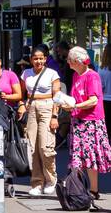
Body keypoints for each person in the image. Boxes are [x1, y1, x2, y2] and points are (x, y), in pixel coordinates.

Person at [62, 45, 111, 200]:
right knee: (77, 157)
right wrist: (68, 104)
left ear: (77, 61)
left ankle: (93, 189)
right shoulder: (76, 76)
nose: (68, 63)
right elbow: (76, 98)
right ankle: (79, 188)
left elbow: (94, 100)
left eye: (70, 60)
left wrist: (75, 106)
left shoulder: (93, 76)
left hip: (91, 122)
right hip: (78, 121)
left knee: (90, 157)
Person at [20, 46, 61, 196]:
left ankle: (51, 179)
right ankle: (37, 182)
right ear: (31, 60)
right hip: (31, 108)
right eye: (35, 58)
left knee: (45, 146)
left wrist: (55, 116)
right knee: (32, 147)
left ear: (45, 59)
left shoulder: (52, 74)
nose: (38, 61)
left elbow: (57, 95)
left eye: (41, 58)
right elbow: (21, 94)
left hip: (47, 107)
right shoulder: (26, 74)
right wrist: (21, 105)